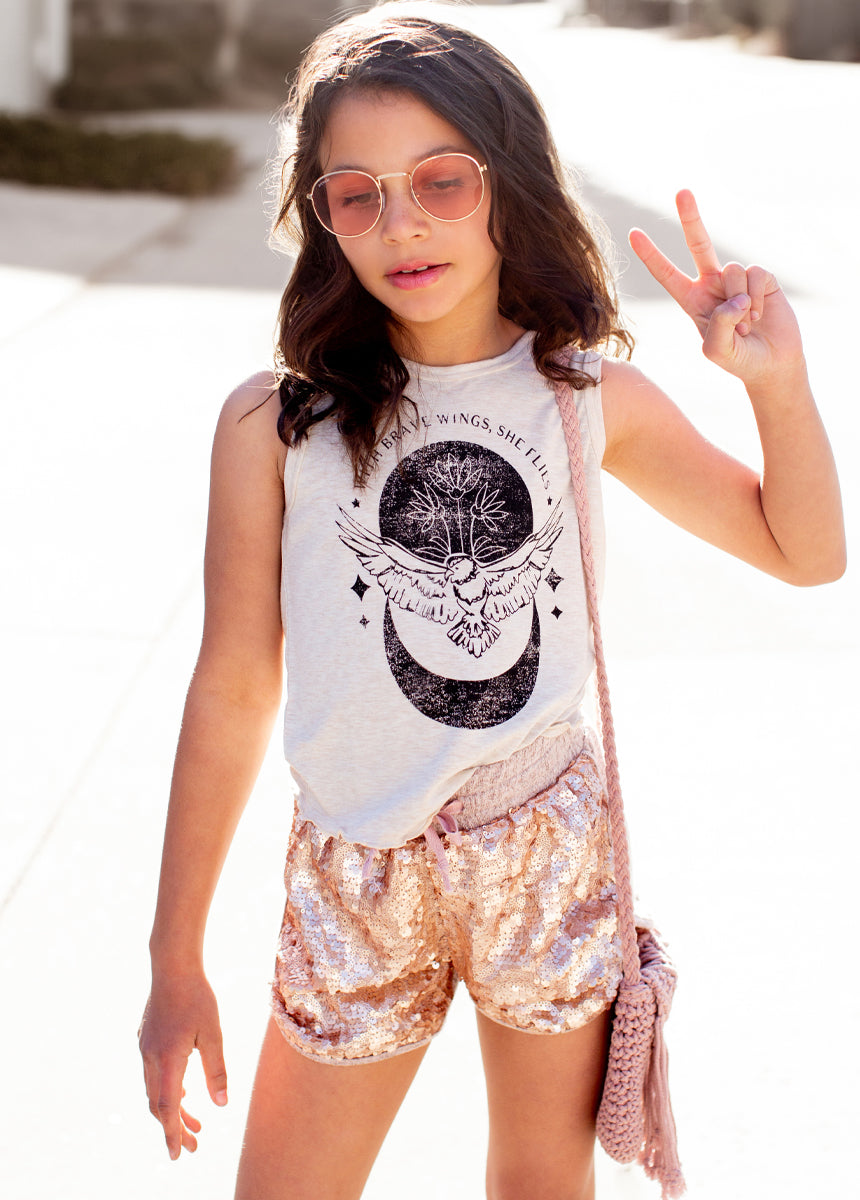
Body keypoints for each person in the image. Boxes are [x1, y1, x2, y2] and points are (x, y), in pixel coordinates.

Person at [137, 5, 845, 1199]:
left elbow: (804, 553)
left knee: (538, 1184)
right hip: (355, 868)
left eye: (440, 181)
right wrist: (173, 957)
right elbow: (234, 684)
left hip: (543, 848)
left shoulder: (583, 397)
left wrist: (775, 385)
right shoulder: (275, 423)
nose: (400, 224)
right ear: (319, 215)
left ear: (504, 182)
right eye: (354, 194)